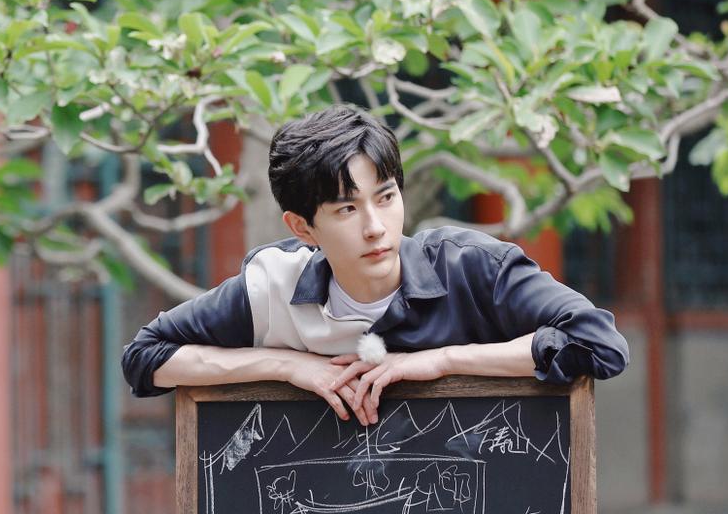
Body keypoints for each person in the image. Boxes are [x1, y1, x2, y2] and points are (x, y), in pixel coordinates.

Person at [120, 104, 628, 426]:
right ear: (303, 228)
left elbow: (599, 345)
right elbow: (146, 358)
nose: (375, 227)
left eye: (385, 198)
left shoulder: (471, 269)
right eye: (346, 209)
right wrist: (288, 366)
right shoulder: (273, 287)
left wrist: (442, 361)